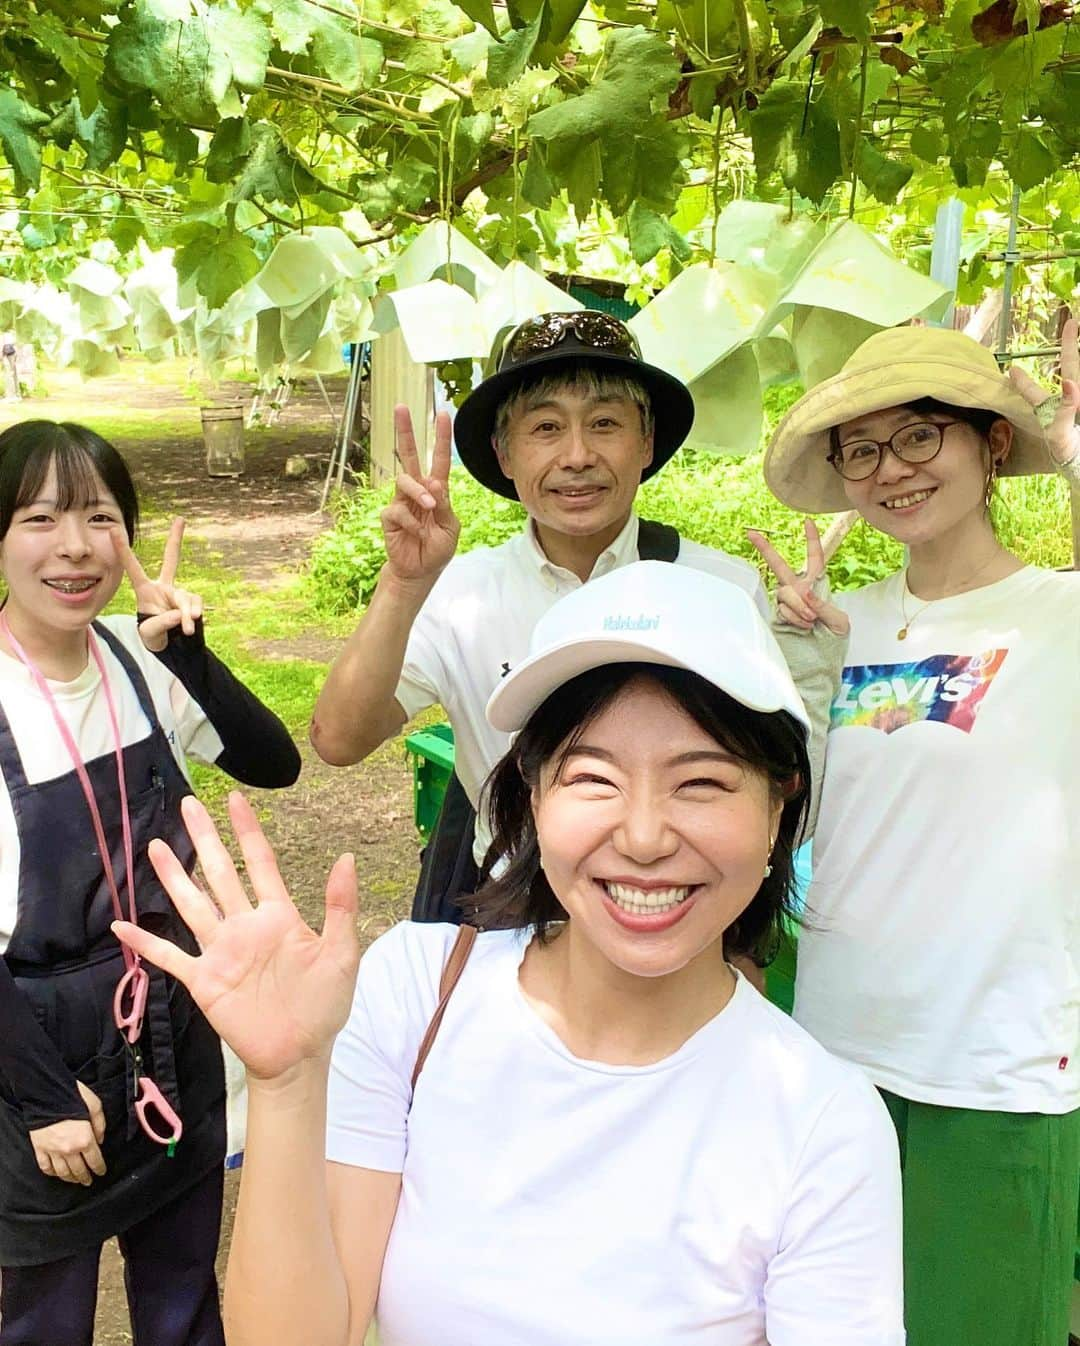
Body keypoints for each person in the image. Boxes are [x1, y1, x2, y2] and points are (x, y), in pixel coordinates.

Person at [116, 561, 905, 1346]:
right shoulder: (415, 994)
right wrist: (286, 1086)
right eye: (593, 777)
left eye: (700, 783)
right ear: (532, 795)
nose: (642, 836)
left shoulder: (822, 1123)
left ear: (779, 805)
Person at [752, 320, 1080, 1346]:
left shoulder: (1059, 615)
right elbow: (802, 809)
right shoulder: (836, 619)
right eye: (863, 448)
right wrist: (800, 672)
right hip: (836, 1053)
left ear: (989, 445)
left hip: (991, 1062)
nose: (891, 469)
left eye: (921, 434)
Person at [310, 311, 845, 928]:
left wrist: (740, 949)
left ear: (646, 443)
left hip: (670, 906)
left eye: (606, 423)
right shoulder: (461, 593)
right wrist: (404, 584)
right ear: (504, 454)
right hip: (515, 913)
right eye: (545, 427)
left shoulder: (720, 588)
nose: (577, 455)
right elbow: (340, 740)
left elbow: (770, 792)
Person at [0, 420, 301, 1346]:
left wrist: (192, 659)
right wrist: (43, 1100)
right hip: (35, 1051)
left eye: (100, 516)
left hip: (172, 1027)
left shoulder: (137, 662)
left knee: (181, 1295)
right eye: (40, 517)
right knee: (44, 1318)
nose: (77, 546)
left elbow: (272, 762)